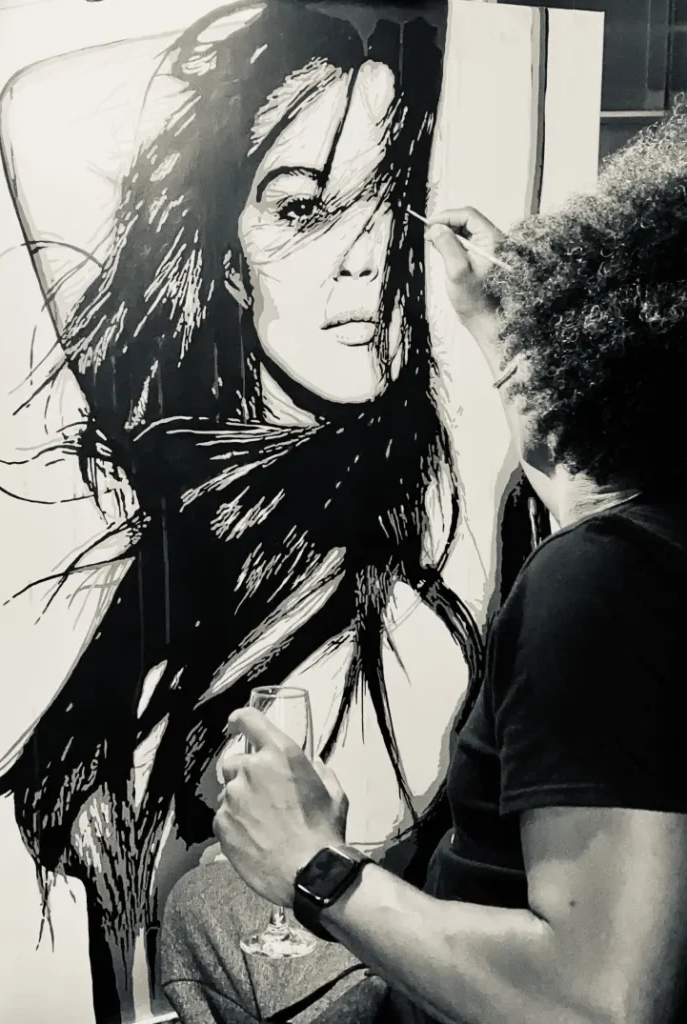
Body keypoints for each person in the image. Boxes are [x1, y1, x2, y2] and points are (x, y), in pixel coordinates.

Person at [0, 5, 540, 1021]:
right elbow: (30, 105)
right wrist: (312, 42)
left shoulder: (427, 559)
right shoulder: (183, 492)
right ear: (225, 256)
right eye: (303, 207)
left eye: (386, 195)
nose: (365, 252)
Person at [160, 109, 687, 1024]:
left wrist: (314, 865)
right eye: (305, 208)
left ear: (602, 356)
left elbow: (601, 1004)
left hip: (459, 998)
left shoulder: (601, 582)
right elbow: (568, 471)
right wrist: (500, 328)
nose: (364, 261)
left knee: (204, 903)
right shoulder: (650, 532)